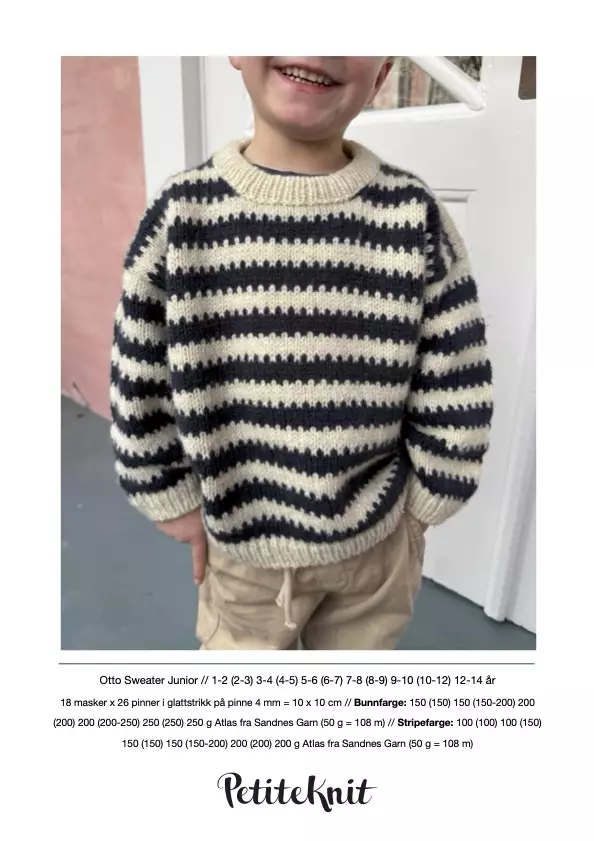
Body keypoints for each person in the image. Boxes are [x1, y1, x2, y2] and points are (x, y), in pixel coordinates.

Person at [110, 57, 493, 650]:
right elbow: (140, 371)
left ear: (382, 73)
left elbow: (454, 366)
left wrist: (430, 498)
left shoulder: (412, 215)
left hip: (375, 548)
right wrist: (165, 492)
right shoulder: (182, 215)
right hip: (243, 552)